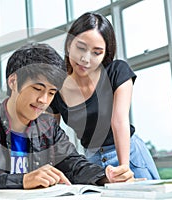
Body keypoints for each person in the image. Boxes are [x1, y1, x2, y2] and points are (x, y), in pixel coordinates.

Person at [0, 43, 134, 190]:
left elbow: (73, 163)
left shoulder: (48, 126)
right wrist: (23, 180)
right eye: (37, 89)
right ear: (13, 82)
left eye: (52, 93)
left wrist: (105, 176)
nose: (43, 100)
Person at [49, 12, 160, 180]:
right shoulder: (55, 87)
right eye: (81, 48)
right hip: (91, 163)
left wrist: (124, 167)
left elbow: (119, 121)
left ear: (105, 54)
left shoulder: (117, 72)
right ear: (69, 45)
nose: (86, 59)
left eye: (96, 52)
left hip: (128, 155)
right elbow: (51, 136)